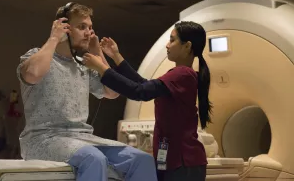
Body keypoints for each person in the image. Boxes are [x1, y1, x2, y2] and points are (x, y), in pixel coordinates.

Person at [16, 3, 158, 181]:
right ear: (65, 29)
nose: (88, 33)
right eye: (81, 27)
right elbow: (32, 73)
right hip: (43, 139)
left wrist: (97, 51)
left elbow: (112, 92)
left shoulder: (84, 65)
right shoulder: (36, 55)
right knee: (94, 158)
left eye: (90, 28)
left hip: (81, 139)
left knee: (142, 160)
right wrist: (54, 38)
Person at [83, 21, 212, 181]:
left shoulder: (182, 74)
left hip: (184, 163)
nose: (167, 45)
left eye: (172, 40)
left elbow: (140, 92)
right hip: (174, 160)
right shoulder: (180, 74)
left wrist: (102, 69)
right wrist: (116, 56)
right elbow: (143, 84)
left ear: (187, 46)